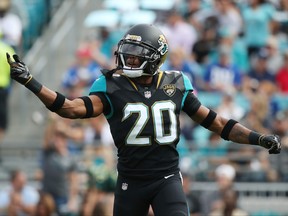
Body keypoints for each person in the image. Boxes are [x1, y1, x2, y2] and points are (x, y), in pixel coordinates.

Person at [6, 24, 281, 216]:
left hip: (167, 178)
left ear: (154, 59)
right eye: (127, 54)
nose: (128, 61)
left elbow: (218, 124)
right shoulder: (110, 84)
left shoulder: (177, 83)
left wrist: (258, 138)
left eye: (136, 57)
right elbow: (70, 108)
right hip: (130, 180)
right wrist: (31, 82)